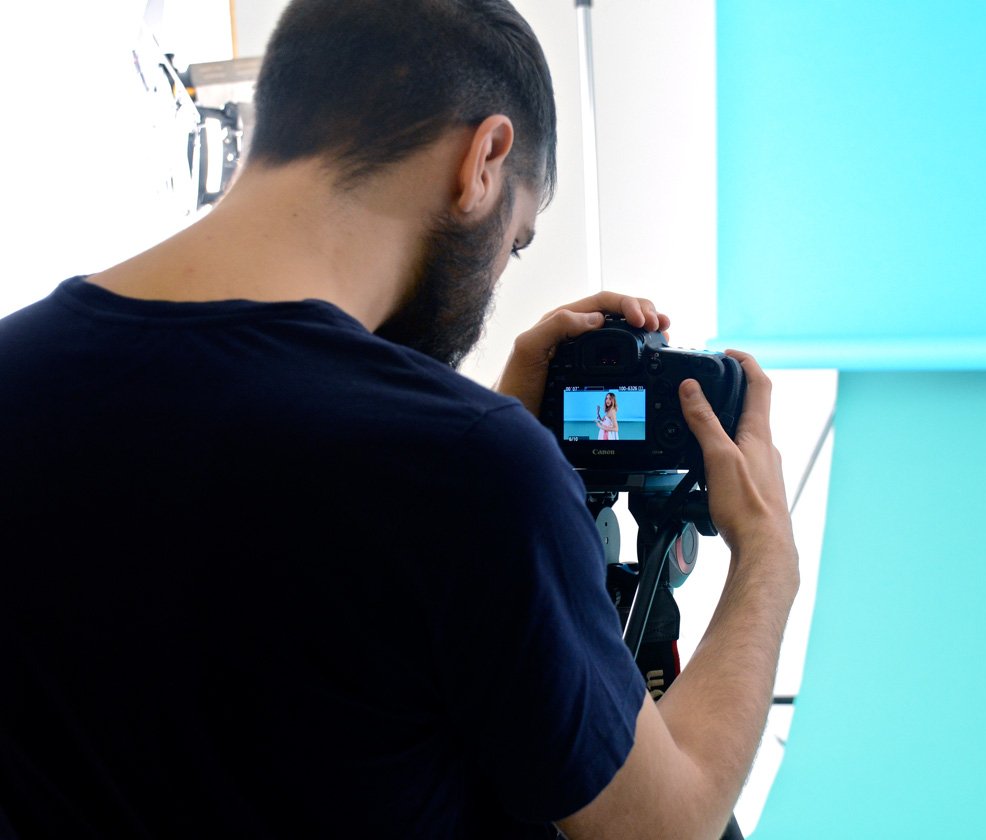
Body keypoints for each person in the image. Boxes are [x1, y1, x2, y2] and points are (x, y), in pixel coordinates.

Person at [0, 1, 799, 838]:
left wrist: (487, 434)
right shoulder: (468, 472)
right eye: (517, 240)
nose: (499, 273)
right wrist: (767, 561)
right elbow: (663, 827)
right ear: (484, 159)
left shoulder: (18, 374)